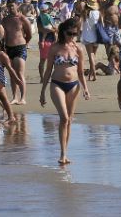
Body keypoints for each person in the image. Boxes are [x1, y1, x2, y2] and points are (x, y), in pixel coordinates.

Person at [39, 17, 90, 165]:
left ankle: (65, 154)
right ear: (63, 32)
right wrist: (42, 91)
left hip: (74, 85)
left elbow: (81, 71)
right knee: (64, 118)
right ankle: (62, 154)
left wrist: (86, 88)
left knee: (69, 120)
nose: (72, 36)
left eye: (75, 33)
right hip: (57, 84)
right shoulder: (55, 48)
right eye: (70, 33)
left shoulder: (78, 48)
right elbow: (48, 70)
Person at [2, 0, 32, 105]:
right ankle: (15, 97)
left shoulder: (22, 19)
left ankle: (23, 98)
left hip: (20, 48)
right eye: (8, 6)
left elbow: (29, 34)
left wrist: (23, 43)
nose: (10, 8)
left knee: (19, 73)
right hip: (8, 48)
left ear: (17, 5)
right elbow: (3, 34)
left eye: (12, 6)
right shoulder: (5, 20)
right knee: (12, 74)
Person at [80, 0, 101, 81]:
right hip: (96, 36)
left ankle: (93, 74)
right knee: (93, 56)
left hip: (87, 36)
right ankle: (91, 74)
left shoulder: (85, 12)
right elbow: (101, 24)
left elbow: (80, 23)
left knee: (91, 56)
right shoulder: (98, 13)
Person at [36, 4, 57, 83]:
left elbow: (41, 30)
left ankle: (42, 78)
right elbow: (54, 29)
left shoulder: (39, 18)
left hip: (44, 41)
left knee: (43, 61)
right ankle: (52, 78)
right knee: (53, 61)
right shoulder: (49, 17)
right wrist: (52, 30)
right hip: (49, 42)